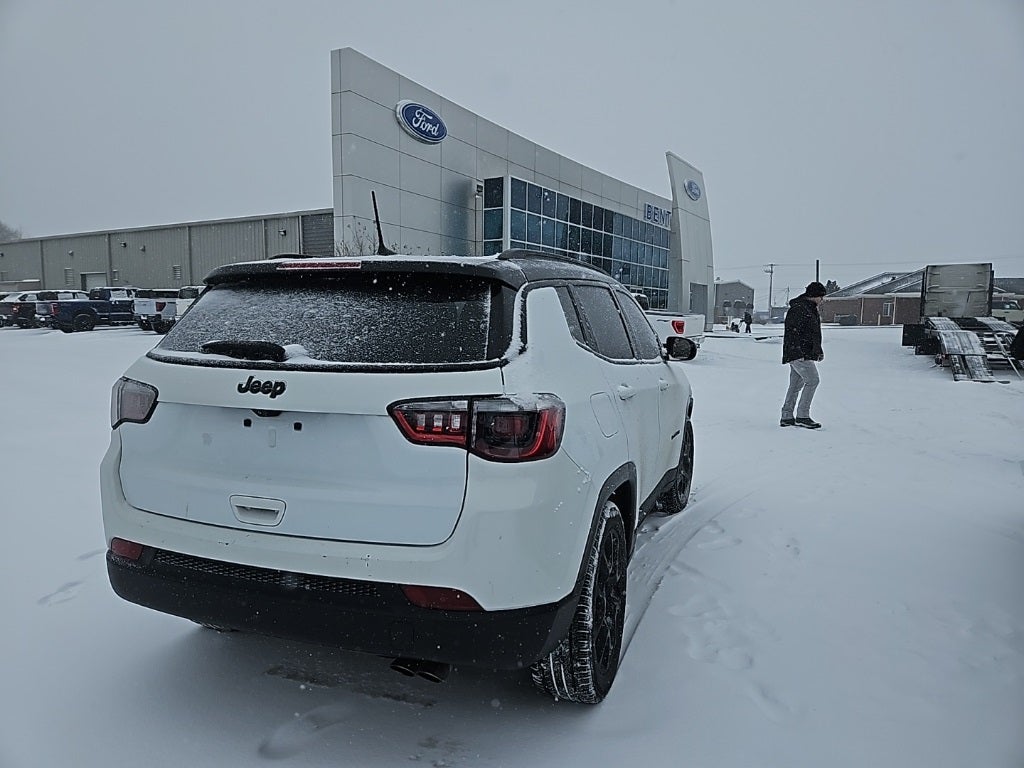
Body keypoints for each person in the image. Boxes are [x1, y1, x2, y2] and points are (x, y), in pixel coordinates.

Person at [780, 281, 827, 429]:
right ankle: (802, 415)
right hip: (798, 353)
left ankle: (787, 416)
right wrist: (797, 352)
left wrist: (817, 351)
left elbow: (812, 334)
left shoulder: (808, 308)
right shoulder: (800, 309)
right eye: (821, 296)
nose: (822, 300)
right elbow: (793, 332)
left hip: (801, 353)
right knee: (813, 380)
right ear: (813, 296)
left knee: (795, 385)